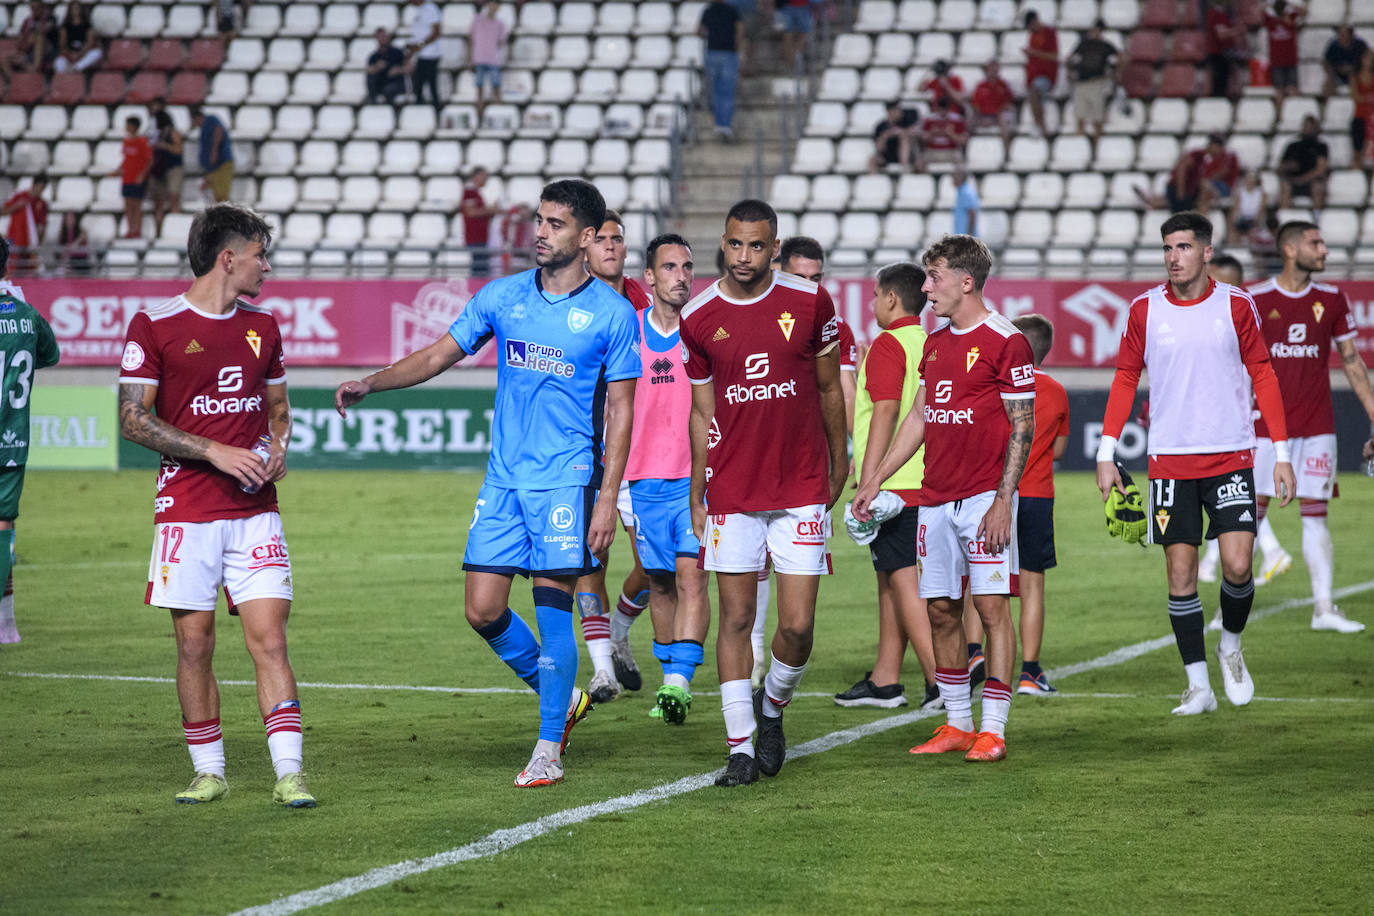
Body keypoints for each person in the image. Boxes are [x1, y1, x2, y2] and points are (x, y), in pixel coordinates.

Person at [334, 180, 639, 788]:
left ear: (584, 237)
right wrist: (374, 380)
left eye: (555, 224)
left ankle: (548, 748)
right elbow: (437, 355)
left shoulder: (612, 314)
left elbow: (623, 410)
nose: (541, 232)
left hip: (567, 481)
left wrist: (606, 498)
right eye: (539, 221)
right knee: (482, 610)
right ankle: (562, 696)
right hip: (504, 482)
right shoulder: (502, 297)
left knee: (552, 609)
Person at [117, 203, 315, 807]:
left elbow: (279, 409)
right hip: (186, 513)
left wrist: (275, 446)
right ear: (228, 258)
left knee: (270, 641)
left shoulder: (265, 326)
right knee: (194, 645)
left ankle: (290, 773)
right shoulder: (154, 325)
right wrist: (215, 452)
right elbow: (131, 419)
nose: (268, 267)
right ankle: (209, 770)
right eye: (260, 255)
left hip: (256, 511)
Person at [1095, 211, 1297, 717]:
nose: (1173, 258)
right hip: (1169, 464)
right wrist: (1106, 453)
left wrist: (1282, 454)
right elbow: (1124, 379)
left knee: (1237, 564)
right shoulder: (1144, 310)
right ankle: (1198, 686)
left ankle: (1230, 644)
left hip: (1231, 456)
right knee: (1180, 576)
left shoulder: (1236, 305)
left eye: (1183, 248)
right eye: (1167, 249)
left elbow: (1265, 376)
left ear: (1207, 253)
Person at [680, 199, 847, 787]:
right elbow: (702, 410)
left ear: (774, 249)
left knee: (798, 625)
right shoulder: (698, 317)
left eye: (756, 246)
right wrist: (699, 490)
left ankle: (772, 709)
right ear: (721, 244)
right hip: (732, 487)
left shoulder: (808, 301)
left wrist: (841, 456)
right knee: (736, 619)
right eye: (734, 244)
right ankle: (740, 749)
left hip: (801, 480)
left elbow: (829, 387)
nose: (744, 256)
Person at [853, 235, 1035, 763]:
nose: (926, 287)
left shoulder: (1006, 341)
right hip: (934, 500)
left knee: (992, 609)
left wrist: (1004, 500)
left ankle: (994, 729)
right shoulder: (934, 343)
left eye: (933, 277)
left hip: (984, 499)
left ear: (965, 281)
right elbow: (919, 417)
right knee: (940, 610)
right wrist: (877, 480)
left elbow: (1023, 425)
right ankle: (956, 722)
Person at [1211, 222, 1373, 633]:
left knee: (1316, 515)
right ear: (1289, 248)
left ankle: (1323, 608)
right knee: (1247, 517)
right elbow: (1231, 362)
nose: (1324, 250)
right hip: (1262, 427)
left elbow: (1352, 361)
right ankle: (1225, 613)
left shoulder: (1333, 299)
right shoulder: (1257, 298)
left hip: (1318, 424)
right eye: (1315, 243)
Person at [834, 262, 940, 710]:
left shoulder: (888, 343)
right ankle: (885, 678)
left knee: (903, 578)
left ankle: (941, 682)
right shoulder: (929, 342)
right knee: (890, 578)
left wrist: (869, 478)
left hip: (894, 482)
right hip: (924, 476)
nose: (873, 303)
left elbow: (885, 411)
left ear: (891, 299)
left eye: (876, 296)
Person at [623, 234, 712, 723]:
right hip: (641, 481)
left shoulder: (704, 331)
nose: (682, 275)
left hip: (696, 481)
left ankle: (680, 681)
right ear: (650, 278)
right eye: (670, 267)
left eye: (687, 266)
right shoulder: (628, 331)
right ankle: (668, 683)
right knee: (659, 582)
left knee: (691, 576)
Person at [577, 209, 653, 705]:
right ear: (585, 247)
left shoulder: (644, 302)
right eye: (601, 238)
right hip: (589, 451)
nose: (610, 246)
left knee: (656, 563)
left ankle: (621, 627)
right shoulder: (571, 301)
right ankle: (603, 670)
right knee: (590, 561)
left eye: (617, 239)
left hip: (644, 451)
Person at [0, 238, 60, 646]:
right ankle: (7, 627)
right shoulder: (26, 312)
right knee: (4, 528)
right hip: (11, 438)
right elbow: (49, 354)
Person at [1008, 314, 1067, 696]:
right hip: (1036, 495)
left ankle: (975, 654)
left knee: (982, 583)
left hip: (995, 494)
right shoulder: (1057, 391)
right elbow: (1058, 450)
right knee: (1032, 587)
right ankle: (1030, 672)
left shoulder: (998, 386)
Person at [1135, 133, 1239, 215]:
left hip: (1187, 190)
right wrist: (1181, 191)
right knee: (1180, 211)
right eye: (1218, 147)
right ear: (1212, 145)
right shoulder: (1198, 154)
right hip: (1180, 189)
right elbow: (1182, 168)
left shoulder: (1204, 158)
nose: (1220, 151)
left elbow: (1200, 179)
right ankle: (1151, 202)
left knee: (1173, 204)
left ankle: (1151, 201)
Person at [1067, 19, 1119, 144]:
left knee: (1097, 116)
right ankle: (1080, 144)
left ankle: (1098, 144)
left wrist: (1116, 72)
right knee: (1080, 115)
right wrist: (1070, 71)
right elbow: (1070, 58)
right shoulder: (1084, 44)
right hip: (1081, 82)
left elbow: (1121, 57)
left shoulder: (1105, 46)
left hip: (1096, 82)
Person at [699, 0, 743, 141]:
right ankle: (725, 125)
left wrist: (711, 35)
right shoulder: (733, 11)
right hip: (729, 53)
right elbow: (740, 32)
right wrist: (738, 49)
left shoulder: (708, 11)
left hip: (712, 53)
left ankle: (718, 123)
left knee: (714, 90)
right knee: (727, 91)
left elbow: (699, 31)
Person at [111, 116, 153, 240]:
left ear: (134, 126)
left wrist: (142, 175)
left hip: (137, 178)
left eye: (128, 125)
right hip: (126, 178)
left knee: (137, 205)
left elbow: (149, 160)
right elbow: (126, 159)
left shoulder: (142, 142)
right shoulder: (126, 141)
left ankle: (137, 230)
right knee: (128, 205)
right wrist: (118, 170)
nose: (126, 127)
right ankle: (130, 230)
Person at [1277, 115, 1330, 212]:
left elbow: (1321, 169)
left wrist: (1303, 179)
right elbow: (1281, 166)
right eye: (1306, 126)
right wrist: (1289, 166)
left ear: (1316, 129)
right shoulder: (1293, 145)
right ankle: (1285, 217)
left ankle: (1316, 217)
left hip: (1311, 181)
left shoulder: (1321, 146)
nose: (1308, 129)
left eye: (1311, 127)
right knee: (1285, 187)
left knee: (1317, 187)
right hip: (1293, 181)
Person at [460, 167, 501, 277]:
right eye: (484, 176)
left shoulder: (474, 192)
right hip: (475, 236)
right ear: (476, 177)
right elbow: (471, 212)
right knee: (479, 268)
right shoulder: (470, 192)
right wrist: (490, 210)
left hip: (480, 236)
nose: (486, 180)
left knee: (481, 267)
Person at [1023, 9, 1059, 138]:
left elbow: (1054, 57)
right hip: (1035, 76)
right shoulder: (1033, 36)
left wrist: (1033, 53)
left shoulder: (1049, 33)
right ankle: (1041, 126)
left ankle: (1040, 126)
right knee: (1034, 94)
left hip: (1046, 75)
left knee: (1034, 92)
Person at [1263, 1, 1303, 111]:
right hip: (1278, 61)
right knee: (1280, 90)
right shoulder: (1271, 20)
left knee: (1290, 89)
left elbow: (1304, 13)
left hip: (1289, 60)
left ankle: (1293, 112)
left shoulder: (1290, 18)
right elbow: (1261, 12)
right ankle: (1281, 115)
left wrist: (1289, 5)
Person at [2, 176, 49, 270]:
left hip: (30, 244)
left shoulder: (42, 204)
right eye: (39, 188)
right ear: (34, 185)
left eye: (43, 189)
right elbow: (2, 211)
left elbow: (43, 225)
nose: (40, 191)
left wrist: (39, 242)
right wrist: (16, 206)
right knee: (13, 268)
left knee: (29, 271)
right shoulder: (20, 197)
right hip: (15, 239)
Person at [149, 111, 184, 238]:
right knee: (158, 201)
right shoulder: (156, 135)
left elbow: (179, 150)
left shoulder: (173, 133)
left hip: (173, 168)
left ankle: (176, 229)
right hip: (159, 171)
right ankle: (158, 231)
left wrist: (165, 146)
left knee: (173, 198)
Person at [189, 105, 234, 204]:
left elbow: (218, 130)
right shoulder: (203, 129)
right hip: (212, 168)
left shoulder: (211, 120)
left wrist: (215, 151)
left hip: (221, 164)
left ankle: (231, 216)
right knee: (209, 192)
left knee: (222, 196)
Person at [469, 2, 507, 118]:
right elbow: (470, 38)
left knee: (496, 87)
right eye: (491, 4)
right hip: (479, 58)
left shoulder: (500, 24)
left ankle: (499, 114)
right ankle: (479, 116)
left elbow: (501, 42)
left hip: (493, 59)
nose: (493, 7)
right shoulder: (477, 20)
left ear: (498, 7)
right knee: (479, 89)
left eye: (495, 5)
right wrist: (470, 56)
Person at [1, 1, 57, 77]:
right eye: (33, 8)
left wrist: (31, 36)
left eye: (37, 7)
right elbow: (20, 39)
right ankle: (14, 83)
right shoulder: (27, 21)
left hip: (46, 52)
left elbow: (43, 30)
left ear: (42, 8)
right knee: (3, 59)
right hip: (28, 52)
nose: (35, 10)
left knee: (39, 38)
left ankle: (35, 68)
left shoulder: (50, 18)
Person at [970, 60, 1016, 153]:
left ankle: (1006, 149)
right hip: (984, 116)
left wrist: (999, 112)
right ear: (987, 71)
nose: (993, 72)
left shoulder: (1003, 85)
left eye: (995, 70)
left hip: (997, 117)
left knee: (1004, 118)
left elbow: (1009, 103)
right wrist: (981, 116)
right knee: (969, 121)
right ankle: (969, 149)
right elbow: (975, 105)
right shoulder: (981, 86)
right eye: (991, 69)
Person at [405, 0, 443, 110]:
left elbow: (436, 32)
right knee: (418, 87)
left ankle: (436, 112)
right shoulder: (417, 10)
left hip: (431, 55)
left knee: (432, 87)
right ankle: (420, 113)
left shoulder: (431, 8)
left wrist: (419, 45)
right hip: (420, 55)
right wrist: (412, 46)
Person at [1205, 0, 1247, 99]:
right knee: (1219, 83)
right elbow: (1221, 34)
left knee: (1223, 82)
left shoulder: (1220, 14)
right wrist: (1237, 31)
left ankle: (1221, 101)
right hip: (1218, 53)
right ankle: (1218, 103)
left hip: (1221, 53)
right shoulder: (1216, 14)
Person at [916, 97, 968, 171]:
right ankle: (921, 181)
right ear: (937, 108)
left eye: (945, 109)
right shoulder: (930, 119)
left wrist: (950, 134)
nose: (942, 112)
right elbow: (923, 139)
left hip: (951, 152)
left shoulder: (957, 119)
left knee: (961, 164)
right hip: (932, 152)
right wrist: (932, 133)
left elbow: (963, 141)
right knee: (919, 162)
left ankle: (958, 182)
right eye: (940, 109)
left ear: (948, 109)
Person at [869, 100, 919, 173]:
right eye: (897, 109)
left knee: (904, 139)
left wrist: (901, 132)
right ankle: (874, 181)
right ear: (890, 111)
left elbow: (915, 133)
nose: (900, 112)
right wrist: (885, 136)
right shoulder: (881, 126)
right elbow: (878, 148)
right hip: (888, 155)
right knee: (872, 160)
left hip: (905, 155)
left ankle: (905, 170)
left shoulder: (905, 122)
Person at [52, 1, 101, 73]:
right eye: (73, 8)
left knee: (97, 53)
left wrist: (80, 54)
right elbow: (62, 45)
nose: (75, 10)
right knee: (58, 63)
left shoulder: (87, 25)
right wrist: (70, 55)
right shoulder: (65, 26)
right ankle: (67, 75)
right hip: (69, 54)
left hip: (83, 53)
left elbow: (90, 43)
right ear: (70, 10)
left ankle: (75, 68)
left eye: (77, 8)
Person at [1323, 25, 1370, 98]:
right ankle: (1327, 104)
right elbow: (1326, 62)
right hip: (1338, 75)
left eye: (1344, 34)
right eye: (1339, 34)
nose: (1341, 37)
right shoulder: (1333, 46)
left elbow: (1368, 58)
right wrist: (1333, 72)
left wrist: (1355, 69)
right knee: (1328, 83)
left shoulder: (1360, 45)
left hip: (1358, 74)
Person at [365, 28, 407, 105]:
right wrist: (377, 67)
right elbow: (369, 70)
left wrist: (399, 70)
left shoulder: (398, 52)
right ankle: (372, 101)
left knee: (388, 90)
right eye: (380, 37)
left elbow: (410, 67)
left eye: (384, 36)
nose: (383, 39)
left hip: (396, 83)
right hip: (382, 83)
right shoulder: (374, 56)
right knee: (370, 77)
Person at [1227, 171, 1267, 248]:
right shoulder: (1239, 192)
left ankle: (1252, 249)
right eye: (1248, 178)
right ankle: (1235, 247)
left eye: (1252, 178)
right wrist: (1234, 221)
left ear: (1256, 180)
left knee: (1252, 230)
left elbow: (1261, 210)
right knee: (1233, 223)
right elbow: (1235, 208)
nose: (1250, 180)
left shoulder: (1261, 193)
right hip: (1242, 218)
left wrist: (1255, 220)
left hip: (1254, 219)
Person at [1352, 49, 1374, 166]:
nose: (1369, 61)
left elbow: (1361, 97)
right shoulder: (1355, 77)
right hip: (1360, 116)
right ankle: (1356, 176)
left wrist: (1365, 98)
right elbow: (1356, 97)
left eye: (1371, 58)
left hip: (1372, 117)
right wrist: (1370, 98)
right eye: (1366, 58)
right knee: (1357, 150)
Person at [779, 0, 813, 72]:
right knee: (788, 36)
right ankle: (790, 64)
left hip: (803, 7)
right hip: (788, 7)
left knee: (803, 36)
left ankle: (796, 62)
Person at [951, 166, 980, 237]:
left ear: (960, 177)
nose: (952, 179)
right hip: (961, 238)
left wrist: (969, 238)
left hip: (966, 240)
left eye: (954, 176)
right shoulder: (961, 192)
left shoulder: (967, 193)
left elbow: (972, 214)